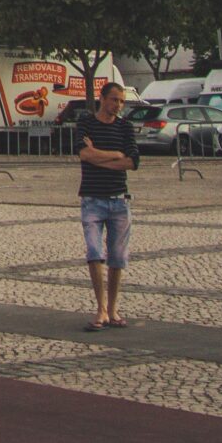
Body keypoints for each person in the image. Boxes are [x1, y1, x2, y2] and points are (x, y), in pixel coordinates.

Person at [76, 81, 138, 331]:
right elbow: (84, 154)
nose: (118, 105)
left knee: (117, 258)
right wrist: (115, 155)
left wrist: (100, 156)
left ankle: (112, 309)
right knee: (94, 252)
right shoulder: (86, 123)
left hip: (119, 200)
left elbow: (132, 161)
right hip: (92, 199)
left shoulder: (125, 127)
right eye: (114, 100)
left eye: (122, 101)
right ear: (102, 98)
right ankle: (100, 308)